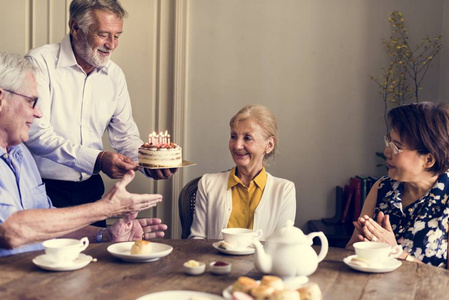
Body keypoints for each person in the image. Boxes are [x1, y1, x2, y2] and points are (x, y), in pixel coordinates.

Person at [24, 0, 176, 227]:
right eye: (103, 35)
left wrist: (149, 164)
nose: (112, 45)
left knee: (96, 258)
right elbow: (35, 134)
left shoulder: (115, 75)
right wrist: (97, 159)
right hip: (43, 188)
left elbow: (125, 138)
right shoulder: (40, 62)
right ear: (75, 28)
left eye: (117, 36)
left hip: (92, 191)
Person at [0, 51, 167, 257]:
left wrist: (105, 235)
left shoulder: (22, 155)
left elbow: (50, 225)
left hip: (36, 275)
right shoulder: (43, 60)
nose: (39, 113)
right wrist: (105, 208)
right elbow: (11, 231)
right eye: (31, 101)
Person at [346, 102, 449, 268]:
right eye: (389, 141)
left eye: (397, 147)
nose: (386, 151)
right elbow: (351, 249)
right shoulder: (382, 187)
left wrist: (396, 253)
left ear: (428, 159)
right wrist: (367, 245)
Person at [189, 105, 296, 240]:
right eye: (233, 136)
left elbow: (282, 244)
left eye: (247, 138)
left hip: (261, 262)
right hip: (215, 261)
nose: (237, 145)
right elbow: (197, 240)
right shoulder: (207, 183)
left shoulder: (284, 190)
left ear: (269, 145)